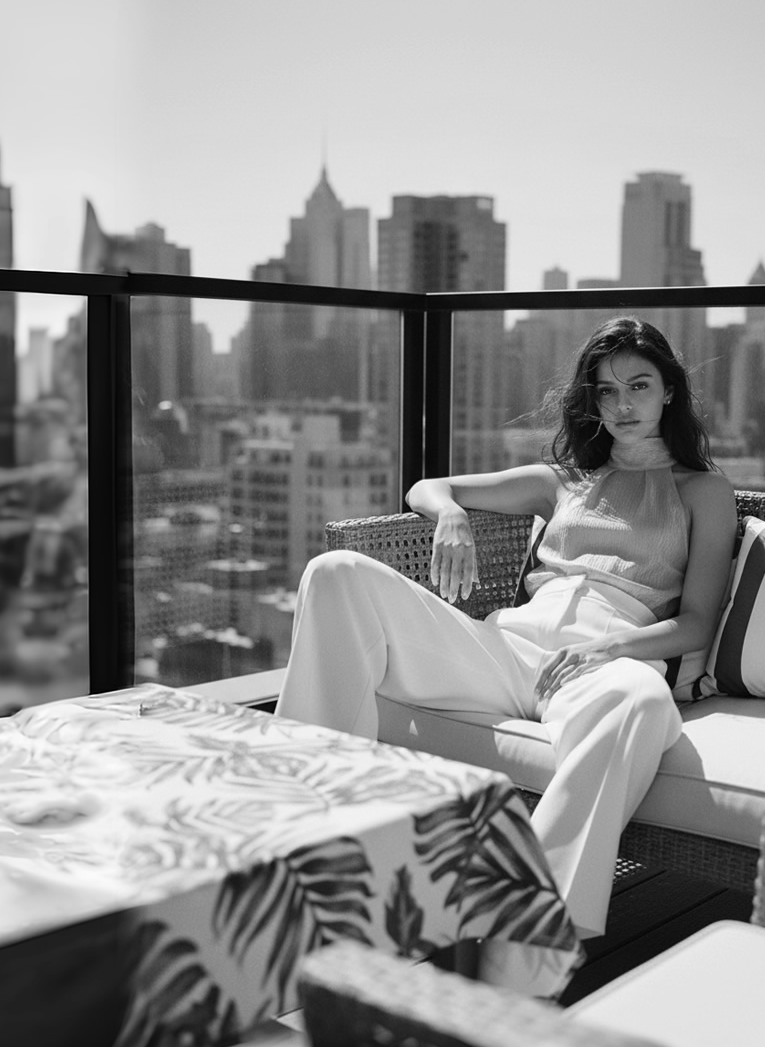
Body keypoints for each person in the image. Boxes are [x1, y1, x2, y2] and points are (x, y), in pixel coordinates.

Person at [274, 315, 737, 937]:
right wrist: (451, 517)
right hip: (505, 650)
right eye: (606, 390)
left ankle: (531, 926)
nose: (622, 405)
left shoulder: (703, 491)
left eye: (639, 386)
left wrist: (610, 649)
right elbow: (428, 487)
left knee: (643, 701)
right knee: (335, 572)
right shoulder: (562, 482)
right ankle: (293, 828)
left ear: (669, 392)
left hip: (602, 664)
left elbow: (698, 623)